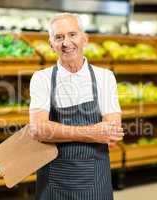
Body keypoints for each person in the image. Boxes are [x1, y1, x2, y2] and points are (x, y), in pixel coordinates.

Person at [29, 12, 123, 200]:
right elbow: (38, 129)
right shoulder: (42, 78)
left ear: (84, 39)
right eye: (59, 37)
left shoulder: (104, 77)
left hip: (96, 180)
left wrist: (57, 130)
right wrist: (92, 133)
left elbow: (112, 131)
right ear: (51, 44)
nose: (66, 43)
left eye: (72, 34)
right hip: (53, 181)